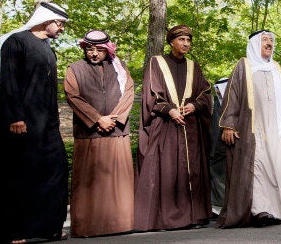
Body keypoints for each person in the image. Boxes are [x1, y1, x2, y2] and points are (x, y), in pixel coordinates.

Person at [0, 2, 69, 243]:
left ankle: (47, 227)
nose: (61, 29)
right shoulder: (16, 41)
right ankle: (12, 231)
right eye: (59, 23)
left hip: (46, 124)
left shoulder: (48, 49)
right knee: (18, 175)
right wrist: (15, 116)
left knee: (54, 171)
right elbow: (9, 82)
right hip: (20, 121)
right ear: (45, 19)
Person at [217, 30, 281, 228]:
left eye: (271, 40)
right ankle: (258, 210)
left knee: (273, 169)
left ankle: (272, 210)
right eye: (265, 40)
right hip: (252, 129)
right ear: (255, 44)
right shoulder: (244, 66)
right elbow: (233, 96)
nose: (269, 42)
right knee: (255, 167)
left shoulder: (277, 68)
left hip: (276, 131)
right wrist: (228, 125)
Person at [134, 24, 212, 231]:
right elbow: (151, 92)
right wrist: (169, 109)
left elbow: (205, 92)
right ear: (171, 42)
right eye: (181, 40)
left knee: (191, 170)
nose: (186, 44)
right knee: (167, 170)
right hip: (166, 125)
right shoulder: (157, 63)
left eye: (188, 40)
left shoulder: (194, 66)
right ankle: (165, 219)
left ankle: (194, 216)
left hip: (190, 126)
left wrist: (194, 105)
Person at [64, 30, 135, 236]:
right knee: (88, 181)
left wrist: (113, 118)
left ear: (107, 50)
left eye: (99, 50)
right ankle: (88, 227)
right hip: (89, 133)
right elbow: (73, 96)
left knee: (117, 180)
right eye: (90, 50)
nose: (94, 54)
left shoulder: (120, 69)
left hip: (117, 131)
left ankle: (120, 224)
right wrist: (97, 119)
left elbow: (129, 93)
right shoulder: (75, 69)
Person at [209, 78, 229, 217]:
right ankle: (217, 208)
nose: (218, 91)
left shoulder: (230, 106)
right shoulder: (217, 104)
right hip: (217, 152)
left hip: (224, 151)